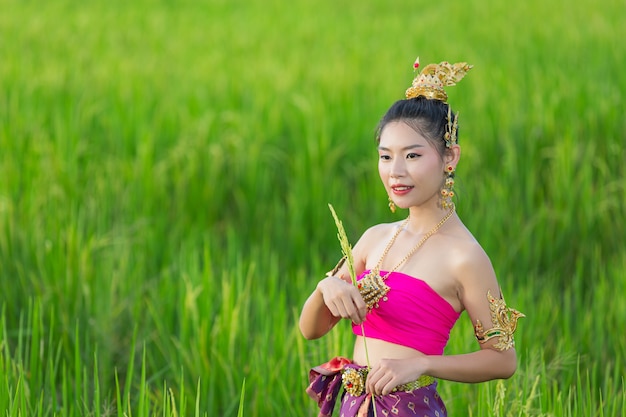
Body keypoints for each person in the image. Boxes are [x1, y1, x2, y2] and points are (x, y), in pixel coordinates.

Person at [299, 58, 525, 417]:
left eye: (413, 156)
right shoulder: (375, 239)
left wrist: (423, 364)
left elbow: (502, 360)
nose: (396, 172)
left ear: (449, 157)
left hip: (411, 408)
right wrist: (326, 288)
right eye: (385, 157)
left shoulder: (464, 256)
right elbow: (311, 329)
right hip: (355, 404)